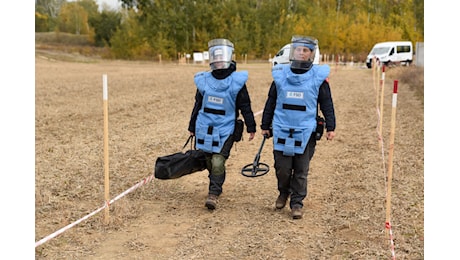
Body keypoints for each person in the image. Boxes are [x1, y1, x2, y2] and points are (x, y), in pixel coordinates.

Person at [261, 35, 336, 219]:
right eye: (298, 49)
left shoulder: (319, 79)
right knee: (282, 168)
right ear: (293, 51)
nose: (301, 53)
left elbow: (327, 104)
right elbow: (271, 101)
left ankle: (297, 203)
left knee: (301, 170)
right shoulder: (280, 76)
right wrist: (265, 124)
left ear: (311, 54)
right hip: (281, 129)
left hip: (306, 131)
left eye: (305, 50)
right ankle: (283, 192)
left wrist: (331, 126)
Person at [188, 38, 257, 210]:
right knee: (209, 160)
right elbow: (198, 104)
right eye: (215, 57)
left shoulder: (237, 81)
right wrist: (192, 127)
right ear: (212, 59)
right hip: (205, 127)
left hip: (226, 128)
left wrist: (251, 126)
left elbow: (245, 106)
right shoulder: (204, 81)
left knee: (218, 161)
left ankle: (213, 193)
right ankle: (216, 181)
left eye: (221, 57)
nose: (218, 61)